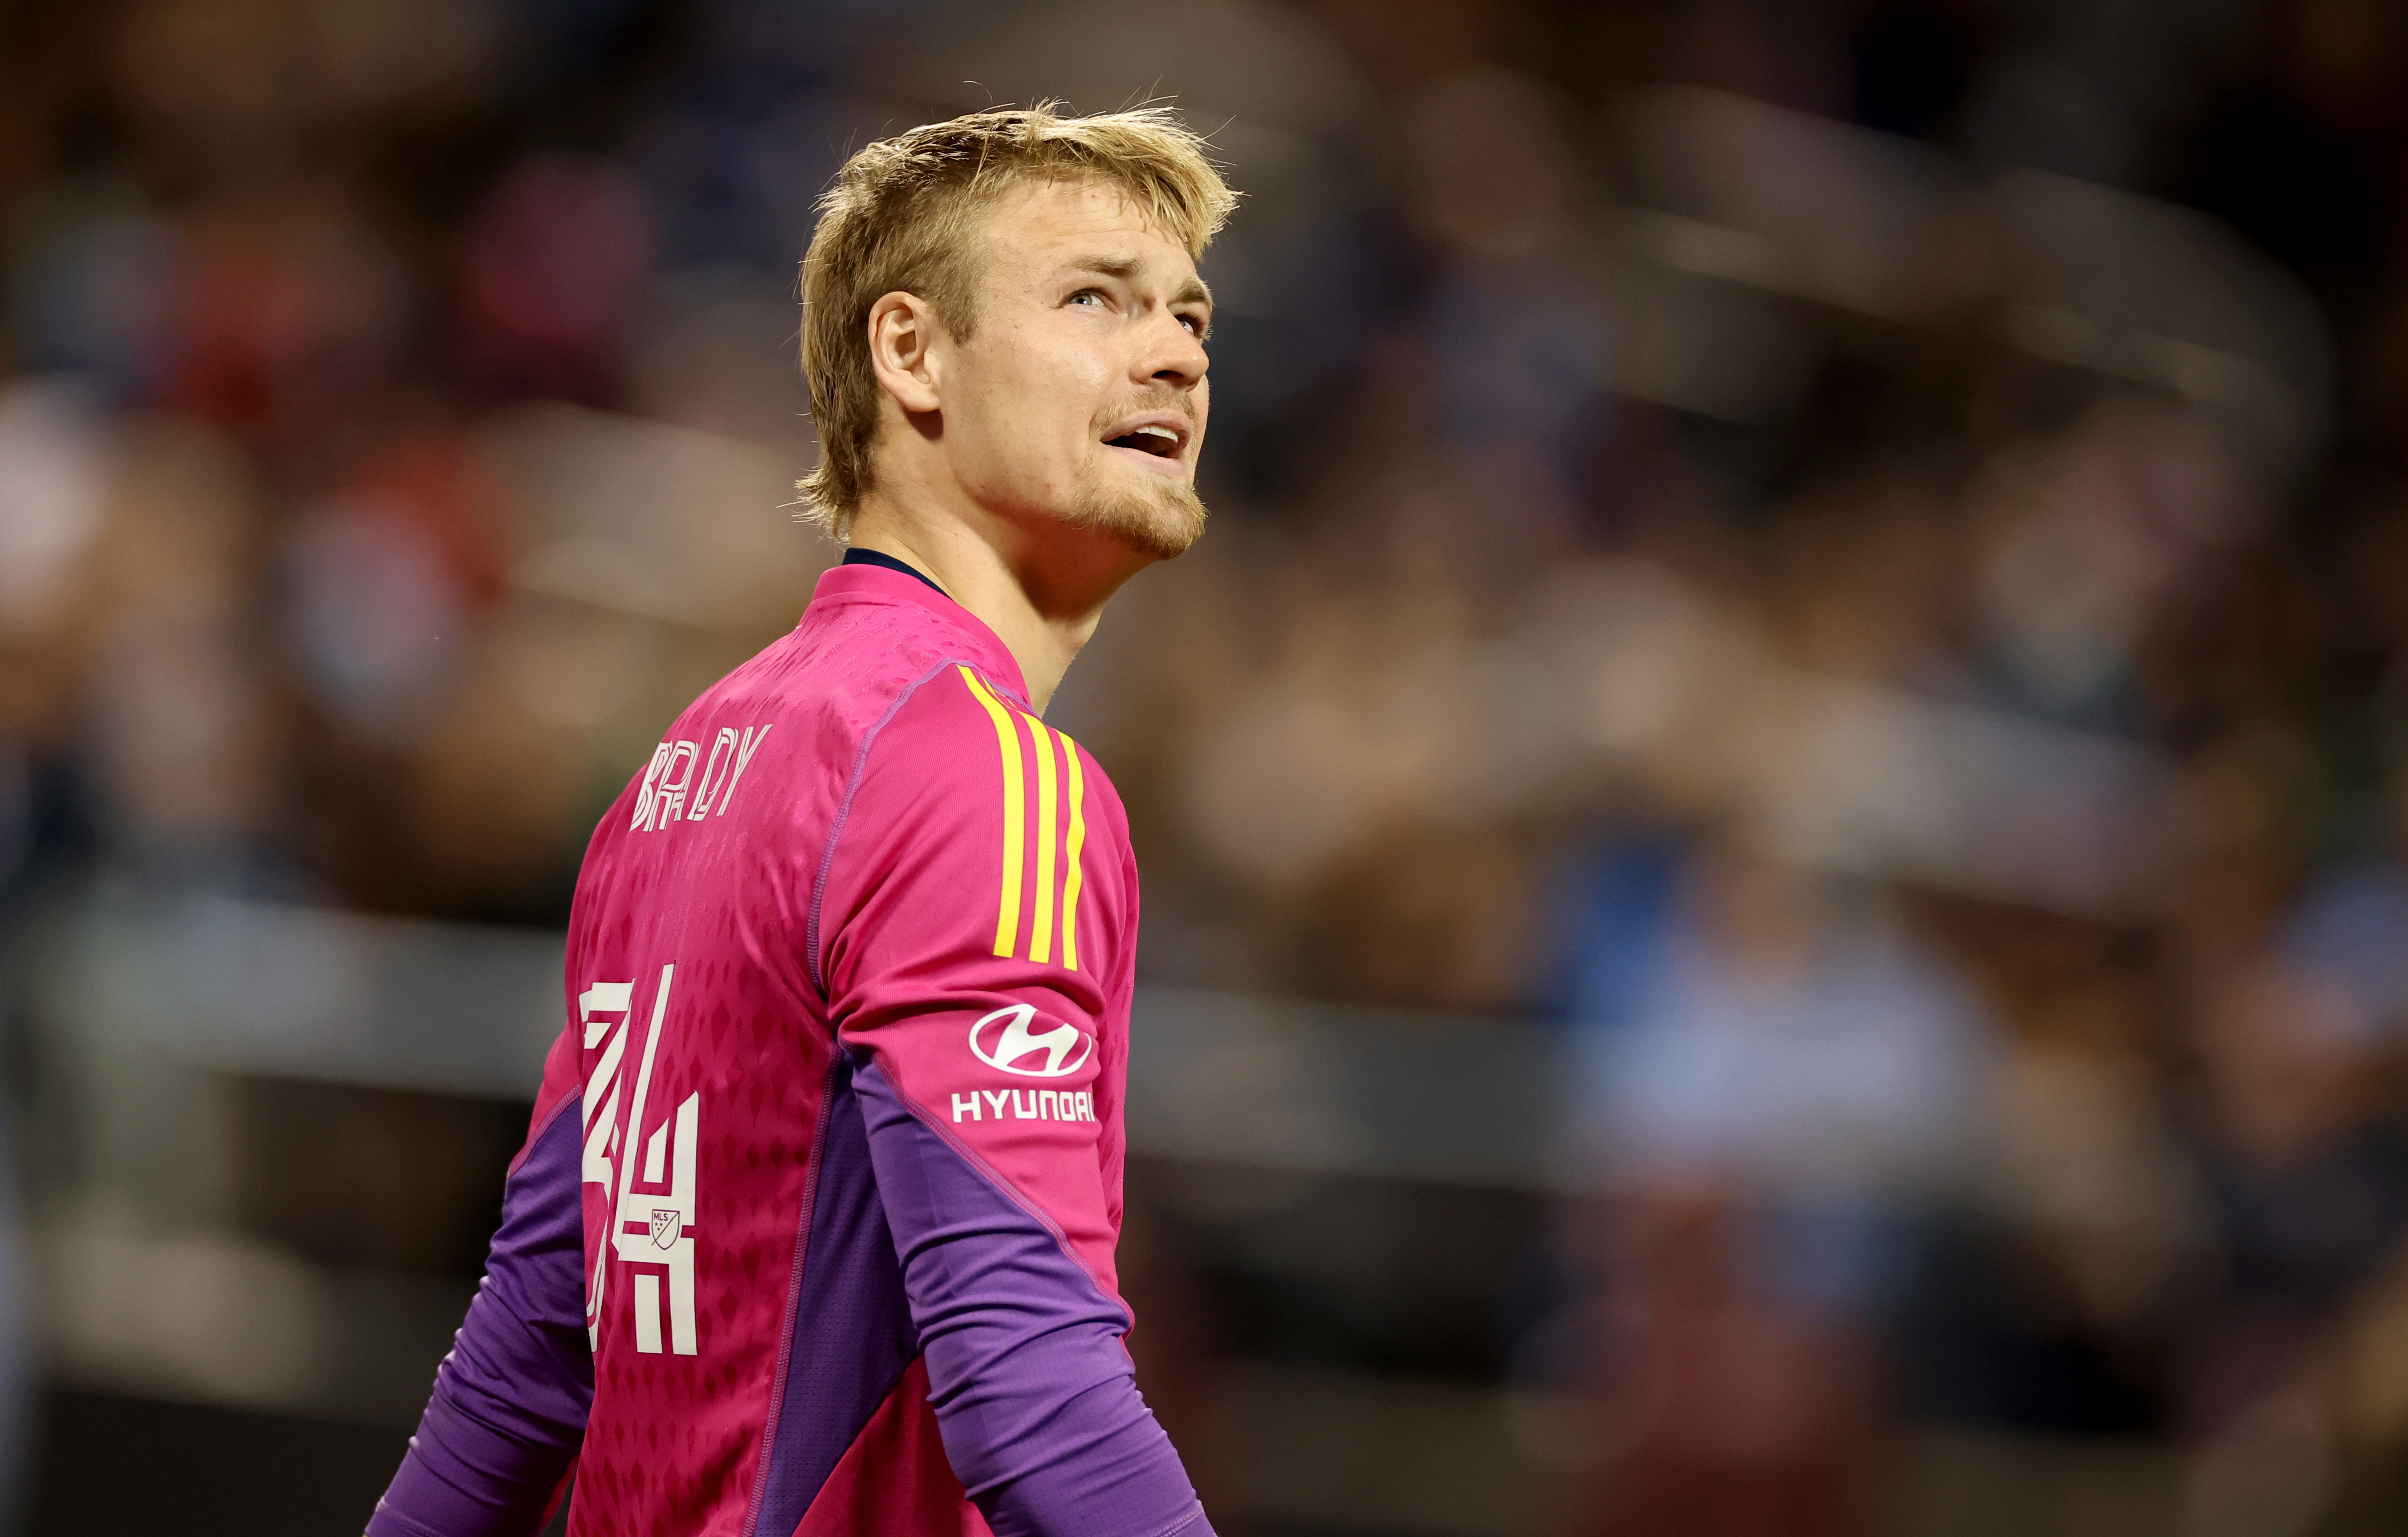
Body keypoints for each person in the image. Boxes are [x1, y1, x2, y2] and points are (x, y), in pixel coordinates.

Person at [366, 103, 1233, 1537]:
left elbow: (526, 1354)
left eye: (1189, 315)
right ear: (912, 353)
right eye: (1096, 298)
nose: (1179, 355)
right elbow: (1028, 1385)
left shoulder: (682, 769)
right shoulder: (982, 771)